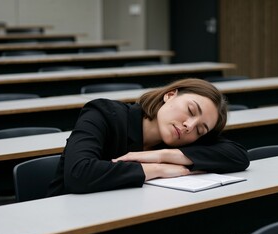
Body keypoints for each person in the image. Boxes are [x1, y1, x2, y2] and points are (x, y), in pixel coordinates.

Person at [48, 78, 249, 196]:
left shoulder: (182, 139)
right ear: (170, 95)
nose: (190, 126)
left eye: (201, 130)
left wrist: (163, 155)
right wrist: (158, 168)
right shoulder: (104, 113)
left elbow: (239, 155)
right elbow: (79, 174)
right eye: (190, 110)